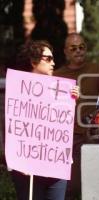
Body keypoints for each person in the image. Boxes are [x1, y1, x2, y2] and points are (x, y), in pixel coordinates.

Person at [10, 40, 79, 200]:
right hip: (26, 169)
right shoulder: (17, 90)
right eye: (48, 59)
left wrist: (71, 102)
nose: (53, 63)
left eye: (53, 59)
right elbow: (12, 128)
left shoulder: (61, 90)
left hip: (56, 167)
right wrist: (18, 161)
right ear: (33, 61)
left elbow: (63, 127)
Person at [54, 33, 99, 200]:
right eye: (73, 48)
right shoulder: (57, 75)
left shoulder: (97, 69)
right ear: (66, 52)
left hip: (92, 136)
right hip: (67, 137)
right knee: (71, 188)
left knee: (94, 186)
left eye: (82, 47)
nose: (78, 51)